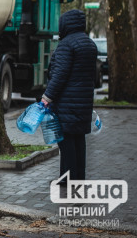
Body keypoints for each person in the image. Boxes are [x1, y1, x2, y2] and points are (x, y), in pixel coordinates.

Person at [40, 9, 97, 181]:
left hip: (67, 102)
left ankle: (67, 179)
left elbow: (60, 75)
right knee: (79, 141)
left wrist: (47, 97)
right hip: (83, 102)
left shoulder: (67, 44)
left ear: (66, 24)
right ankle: (78, 177)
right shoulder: (89, 43)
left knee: (66, 142)